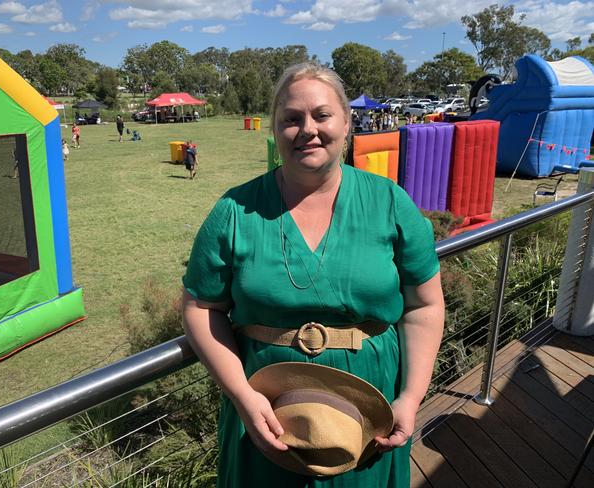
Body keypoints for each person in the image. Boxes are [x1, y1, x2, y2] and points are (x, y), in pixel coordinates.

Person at [182, 62, 445, 487]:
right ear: (275, 129)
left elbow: (425, 306)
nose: (308, 129)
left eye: (322, 115)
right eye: (291, 119)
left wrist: (411, 398)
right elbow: (199, 307)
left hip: (369, 417)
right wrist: (243, 397)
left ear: (346, 122)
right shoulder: (234, 211)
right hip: (265, 415)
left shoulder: (390, 203)